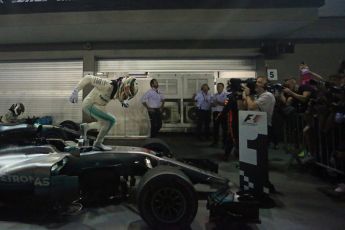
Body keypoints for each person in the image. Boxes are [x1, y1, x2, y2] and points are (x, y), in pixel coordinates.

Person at [69, 73, 138, 150]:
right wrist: (75, 91)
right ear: (123, 87)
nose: (124, 97)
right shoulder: (107, 84)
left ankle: (86, 127)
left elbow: (117, 95)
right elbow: (88, 78)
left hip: (96, 106)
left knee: (104, 124)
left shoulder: (116, 88)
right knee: (111, 121)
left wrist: (123, 102)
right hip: (89, 105)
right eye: (125, 95)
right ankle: (97, 143)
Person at [242, 76, 276, 193]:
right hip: (256, 127)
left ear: (266, 85)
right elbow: (247, 109)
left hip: (264, 128)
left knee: (261, 159)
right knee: (256, 159)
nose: (257, 84)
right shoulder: (258, 96)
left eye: (260, 82)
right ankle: (260, 182)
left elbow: (251, 106)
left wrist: (247, 95)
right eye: (257, 82)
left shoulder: (267, 96)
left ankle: (265, 184)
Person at [210, 83, 228, 147]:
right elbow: (211, 104)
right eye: (217, 87)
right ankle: (215, 142)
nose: (218, 88)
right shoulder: (214, 95)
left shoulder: (226, 95)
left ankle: (224, 143)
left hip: (223, 113)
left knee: (224, 128)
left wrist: (218, 102)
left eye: (220, 86)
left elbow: (226, 103)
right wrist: (213, 104)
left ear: (223, 87)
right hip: (216, 113)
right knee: (215, 128)